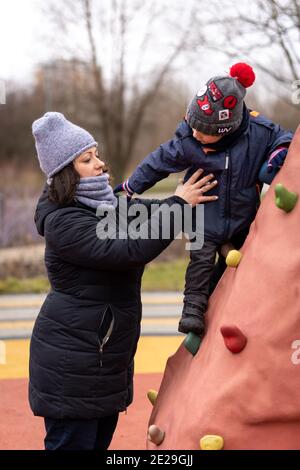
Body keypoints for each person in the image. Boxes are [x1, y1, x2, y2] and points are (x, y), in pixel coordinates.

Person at [29, 112, 218, 451]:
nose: (100, 164)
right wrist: (178, 205)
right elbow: (129, 248)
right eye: (87, 159)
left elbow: (141, 214)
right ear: (66, 174)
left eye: (96, 154)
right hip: (73, 368)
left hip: (99, 364)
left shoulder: (101, 206)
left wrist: (180, 199)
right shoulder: (65, 222)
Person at [114, 62, 294, 338]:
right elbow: (158, 162)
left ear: (226, 129)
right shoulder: (188, 140)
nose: (195, 133)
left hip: (243, 215)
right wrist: (130, 186)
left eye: (203, 130)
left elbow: (283, 139)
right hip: (204, 215)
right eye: (192, 124)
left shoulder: (258, 133)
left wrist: (276, 156)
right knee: (199, 261)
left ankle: (238, 306)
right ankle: (193, 311)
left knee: (242, 262)